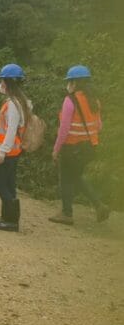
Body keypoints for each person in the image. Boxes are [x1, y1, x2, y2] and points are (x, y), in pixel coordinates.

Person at [49, 65, 109, 225]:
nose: (69, 85)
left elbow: (64, 129)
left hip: (71, 148)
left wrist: (56, 150)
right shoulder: (94, 100)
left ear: (74, 82)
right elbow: (99, 126)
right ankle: (99, 205)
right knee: (76, 177)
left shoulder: (70, 100)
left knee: (66, 179)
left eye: (70, 81)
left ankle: (67, 214)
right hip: (88, 148)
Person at [0, 64, 31, 232]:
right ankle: (7, 219)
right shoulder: (22, 102)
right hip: (15, 150)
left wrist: (2, 152)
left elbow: (10, 130)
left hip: (9, 150)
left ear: (7, 83)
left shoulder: (13, 105)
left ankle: (12, 220)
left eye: (2, 81)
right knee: (9, 184)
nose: (0, 84)